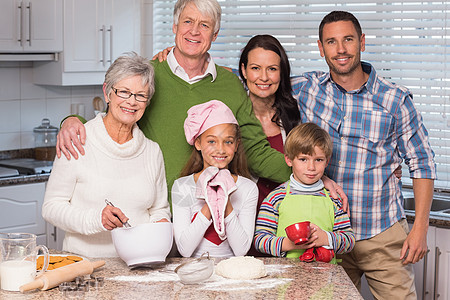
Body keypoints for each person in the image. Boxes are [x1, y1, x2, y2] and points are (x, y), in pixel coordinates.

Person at [55, 0, 306, 205]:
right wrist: (71, 121)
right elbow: (115, 122)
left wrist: (310, 177)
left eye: (204, 25)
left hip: (210, 217)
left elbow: (255, 152)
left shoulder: (230, 85)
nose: (194, 31)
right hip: (154, 213)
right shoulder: (150, 73)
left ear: (215, 34)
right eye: (188, 21)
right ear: (174, 26)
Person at [291, 11, 436, 298]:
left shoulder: (394, 99)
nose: (341, 49)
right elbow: (255, 76)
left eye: (348, 39)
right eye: (331, 42)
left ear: (362, 42)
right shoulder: (306, 88)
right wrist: (177, 56)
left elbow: (422, 164)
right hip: (327, 234)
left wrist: (420, 228)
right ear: (321, 48)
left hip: (381, 233)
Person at [42, 53, 171, 258]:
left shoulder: (151, 151)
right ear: (107, 93)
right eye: (124, 92)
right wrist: (96, 220)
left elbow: (159, 210)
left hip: (139, 265)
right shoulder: (77, 140)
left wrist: (161, 226)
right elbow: (51, 208)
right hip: (85, 267)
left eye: (140, 95)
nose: (132, 102)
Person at [254, 122, 354, 263]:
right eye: (303, 159)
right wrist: (288, 244)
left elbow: (349, 240)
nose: (311, 167)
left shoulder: (333, 199)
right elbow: (260, 240)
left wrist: (326, 238)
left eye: (318, 160)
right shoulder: (275, 198)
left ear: (327, 162)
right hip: (285, 278)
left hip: (326, 280)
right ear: (289, 160)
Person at [171, 100, 258, 257]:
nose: (220, 149)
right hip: (196, 271)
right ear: (198, 143)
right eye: (211, 141)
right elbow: (185, 250)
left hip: (231, 272)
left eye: (228, 142)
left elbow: (241, 250)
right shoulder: (182, 186)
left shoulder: (248, 188)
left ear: (236, 145)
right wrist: (210, 201)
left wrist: (225, 200)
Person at [237, 34, 301, 206]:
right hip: (242, 217)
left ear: (282, 72)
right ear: (243, 70)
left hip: (286, 216)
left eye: (272, 69)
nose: (264, 77)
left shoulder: (296, 111)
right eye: (256, 68)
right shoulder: (233, 114)